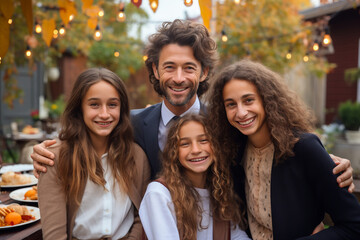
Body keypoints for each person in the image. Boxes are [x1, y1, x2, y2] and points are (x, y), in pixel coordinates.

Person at [31, 19, 355, 190]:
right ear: (155, 70)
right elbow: (87, 138)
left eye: (189, 68)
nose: (178, 77)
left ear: (204, 72)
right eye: (169, 67)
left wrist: (327, 164)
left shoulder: (231, 121)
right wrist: (48, 151)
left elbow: (277, 146)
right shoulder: (128, 123)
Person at [208, 59, 360, 239]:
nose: (241, 112)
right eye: (231, 104)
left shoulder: (304, 148)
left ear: (267, 99)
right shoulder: (234, 152)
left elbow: (354, 225)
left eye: (248, 100)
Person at [37, 68, 150, 239]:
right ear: (79, 108)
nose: (104, 114)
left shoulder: (136, 156)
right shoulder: (55, 158)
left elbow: (141, 215)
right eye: (94, 104)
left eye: (112, 104)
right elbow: (54, 235)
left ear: (122, 108)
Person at [139, 114, 250, 240]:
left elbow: (237, 236)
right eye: (185, 144)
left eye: (203, 140)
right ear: (174, 153)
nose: (196, 150)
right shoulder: (159, 193)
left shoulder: (219, 192)